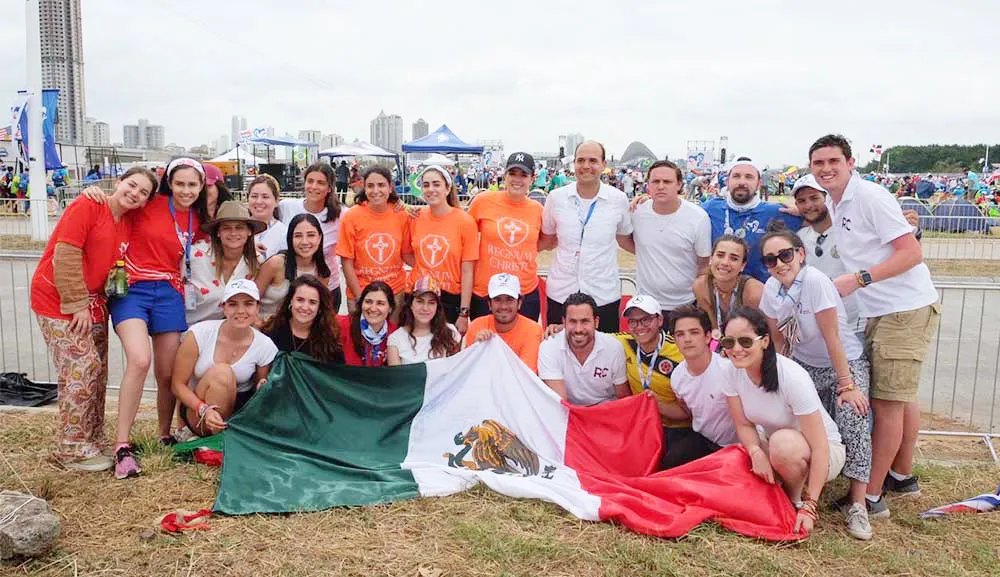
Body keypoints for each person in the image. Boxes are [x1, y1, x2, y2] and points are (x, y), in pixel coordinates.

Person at [809, 134, 940, 519]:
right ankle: (899, 475)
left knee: (886, 405)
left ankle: (871, 496)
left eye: (834, 161)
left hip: (903, 308)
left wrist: (861, 279)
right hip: (882, 311)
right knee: (897, 398)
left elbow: (911, 253)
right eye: (819, 163)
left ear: (851, 163)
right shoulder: (838, 200)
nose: (826, 168)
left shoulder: (870, 196)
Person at [30, 167, 157, 472]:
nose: (135, 194)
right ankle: (72, 449)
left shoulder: (126, 221)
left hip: (96, 303)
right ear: (118, 182)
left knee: (97, 373)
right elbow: (66, 253)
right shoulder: (88, 205)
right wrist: (75, 304)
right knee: (81, 367)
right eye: (132, 185)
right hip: (60, 301)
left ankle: (92, 438)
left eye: (143, 193)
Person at [757, 223, 874, 540]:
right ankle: (804, 488)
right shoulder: (771, 289)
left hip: (843, 362)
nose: (779, 263)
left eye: (785, 255)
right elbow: (778, 341)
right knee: (804, 425)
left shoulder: (816, 282)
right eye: (770, 259)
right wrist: (783, 379)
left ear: (800, 254)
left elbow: (832, 336)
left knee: (853, 416)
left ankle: (858, 503)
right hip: (804, 364)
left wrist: (847, 385)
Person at [97, 157, 209, 478]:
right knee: (139, 359)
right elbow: (116, 205)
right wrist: (98, 194)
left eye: (192, 185)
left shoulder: (198, 219)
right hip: (132, 289)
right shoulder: (148, 204)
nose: (186, 190)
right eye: (180, 184)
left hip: (170, 293)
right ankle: (122, 445)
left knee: (167, 372)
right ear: (169, 184)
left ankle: (163, 435)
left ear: (201, 187)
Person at [721, 307, 846, 536]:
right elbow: (743, 424)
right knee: (738, 453)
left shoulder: (791, 376)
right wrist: (756, 452)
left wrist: (811, 506)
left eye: (746, 341)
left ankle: (795, 501)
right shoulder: (731, 372)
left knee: (782, 444)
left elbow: (820, 447)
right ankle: (775, 492)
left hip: (824, 452)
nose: (736, 349)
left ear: (765, 341)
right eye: (729, 342)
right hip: (773, 443)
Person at [541, 141, 633, 332]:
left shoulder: (618, 200)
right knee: (559, 354)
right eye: (580, 160)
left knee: (604, 356)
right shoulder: (556, 198)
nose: (586, 166)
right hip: (561, 293)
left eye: (593, 160)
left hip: (603, 294)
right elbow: (548, 238)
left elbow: (624, 237)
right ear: (573, 163)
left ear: (603, 164)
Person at [170, 279, 278, 438]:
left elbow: (258, 392)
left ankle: (222, 440)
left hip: (237, 414)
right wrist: (203, 409)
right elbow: (177, 385)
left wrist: (262, 387)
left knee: (224, 373)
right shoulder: (199, 333)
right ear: (223, 307)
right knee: (222, 372)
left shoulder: (265, 345)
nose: (241, 311)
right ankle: (213, 439)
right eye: (233, 304)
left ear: (257, 307)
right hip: (199, 411)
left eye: (248, 304)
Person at [619, 160, 711, 317]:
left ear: (679, 185)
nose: (661, 186)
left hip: (686, 304)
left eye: (667, 181)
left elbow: (703, 263)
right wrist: (646, 252)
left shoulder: (698, 217)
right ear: (648, 185)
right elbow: (622, 238)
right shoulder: (637, 212)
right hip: (646, 304)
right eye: (655, 181)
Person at [468, 152, 549, 322]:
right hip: (486, 292)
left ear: (532, 179)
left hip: (524, 292)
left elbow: (548, 241)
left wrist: (520, 249)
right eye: (512, 173)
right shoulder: (482, 201)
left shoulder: (538, 210)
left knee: (521, 346)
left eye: (523, 175)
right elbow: (464, 234)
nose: (517, 179)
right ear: (504, 176)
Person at [613, 295, 691, 469]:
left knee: (669, 463)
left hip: (677, 427)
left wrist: (655, 403)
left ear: (660, 320)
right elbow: (590, 336)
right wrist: (558, 329)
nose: (639, 327)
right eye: (633, 321)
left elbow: (688, 413)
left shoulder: (680, 350)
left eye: (646, 320)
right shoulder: (622, 342)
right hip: (641, 425)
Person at [699, 157, 801, 282]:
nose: (742, 182)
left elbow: (816, 221)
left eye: (749, 177)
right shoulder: (710, 208)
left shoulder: (776, 212)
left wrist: (802, 211)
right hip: (718, 290)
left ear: (759, 184)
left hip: (761, 293)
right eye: (736, 176)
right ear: (727, 182)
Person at [404, 166, 478, 333]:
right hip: (418, 295)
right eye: (426, 185)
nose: (431, 189)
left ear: (447, 188)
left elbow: (467, 271)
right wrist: (426, 269)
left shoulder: (465, 222)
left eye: (436, 184)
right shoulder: (416, 217)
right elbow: (406, 253)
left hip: (449, 299)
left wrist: (464, 313)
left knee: (447, 354)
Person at [791, 174, 862, 334]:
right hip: (817, 327)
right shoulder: (799, 237)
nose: (808, 205)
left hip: (855, 324)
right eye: (801, 201)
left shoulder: (850, 229)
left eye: (814, 198)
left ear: (828, 198)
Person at [668, 306, 739, 464]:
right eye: (680, 334)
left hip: (736, 447)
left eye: (694, 332)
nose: (687, 339)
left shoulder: (729, 370)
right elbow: (687, 410)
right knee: (670, 462)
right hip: (702, 440)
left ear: (707, 337)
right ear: (674, 340)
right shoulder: (677, 376)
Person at [337, 166, 410, 321]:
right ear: (364, 188)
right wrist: (360, 298)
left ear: (390, 187)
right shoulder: (352, 216)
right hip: (361, 292)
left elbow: (406, 253)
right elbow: (346, 262)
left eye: (381, 185)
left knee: (392, 341)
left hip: (395, 293)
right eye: (370, 186)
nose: (376, 190)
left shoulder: (401, 214)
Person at [538, 292, 628, 405]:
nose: (578, 329)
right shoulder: (549, 346)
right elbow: (560, 402)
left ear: (596, 322)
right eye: (573, 321)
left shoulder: (614, 347)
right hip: (569, 413)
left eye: (585, 321)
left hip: (605, 410)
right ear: (564, 322)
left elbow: (623, 398)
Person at [186, 201, 264, 325]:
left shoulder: (257, 263)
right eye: (226, 228)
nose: (233, 233)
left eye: (239, 227)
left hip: (232, 332)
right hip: (190, 329)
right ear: (218, 232)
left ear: (249, 232)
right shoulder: (194, 257)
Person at [278, 163, 343, 311]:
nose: (314, 186)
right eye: (310, 181)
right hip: (292, 287)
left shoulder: (341, 215)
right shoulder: (286, 207)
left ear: (329, 188)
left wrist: (398, 205)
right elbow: (264, 219)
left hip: (328, 288)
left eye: (321, 183)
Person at [256, 213, 331, 320]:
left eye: (311, 235)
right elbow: (250, 300)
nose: (304, 242)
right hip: (262, 327)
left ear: (319, 238)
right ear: (290, 239)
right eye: (298, 236)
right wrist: (260, 327)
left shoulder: (322, 272)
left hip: (296, 329)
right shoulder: (276, 264)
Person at [465, 273, 544, 373]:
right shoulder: (476, 326)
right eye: (497, 300)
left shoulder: (533, 330)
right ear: (489, 304)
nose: (503, 306)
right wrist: (477, 349)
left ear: (519, 303)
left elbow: (525, 375)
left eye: (509, 300)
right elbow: (467, 371)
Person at [692, 235, 764, 341]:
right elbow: (715, 329)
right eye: (720, 255)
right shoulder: (700, 286)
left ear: (742, 265)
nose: (725, 263)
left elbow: (758, 334)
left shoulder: (754, 292)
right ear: (711, 259)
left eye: (734, 258)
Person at [261, 275, 344, 364]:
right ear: (291, 301)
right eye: (300, 300)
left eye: (312, 302)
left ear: (319, 307)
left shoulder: (329, 340)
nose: (305, 307)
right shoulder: (271, 330)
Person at [387, 276, 461, 365]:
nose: (425, 308)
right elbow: (396, 377)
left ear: (437, 307)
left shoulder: (451, 332)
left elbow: (458, 370)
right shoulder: (395, 338)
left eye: (431, 303)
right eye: (420, 301)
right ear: (411, 304)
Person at [338, 281, 398, 367]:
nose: (373, 308)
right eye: (368, 302)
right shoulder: (341, 326)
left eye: (380, 303)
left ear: (390, 308)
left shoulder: (395, 334)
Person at [247, 174, 287, 261]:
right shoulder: (238, 229)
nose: (259, 201)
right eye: (254, 196)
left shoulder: (284, 233)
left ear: (276, 201)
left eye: (265, 197)